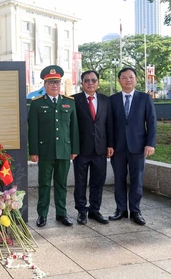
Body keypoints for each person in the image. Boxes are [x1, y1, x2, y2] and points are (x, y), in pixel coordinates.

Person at [28, 65, 79, 227]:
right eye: (50, 83)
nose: (54, 85)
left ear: (61, 84)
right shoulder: (36, 104)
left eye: (57, 82)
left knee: (61, 184)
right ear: (44, 85)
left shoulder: (69, 103)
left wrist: (75, 149)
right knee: (43, 184)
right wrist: (33, 151)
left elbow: (74, 128)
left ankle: (61, 214)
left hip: (64, 150)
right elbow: (33, 130)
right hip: (45, 151)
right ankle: (42, 215)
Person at [109, 67, 157, 225]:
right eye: (124, 77)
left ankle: (135, 211)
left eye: (131, 77)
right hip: (118, 147)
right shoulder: (113, 99)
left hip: (138, 146)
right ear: (119, 81)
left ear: (136, 79)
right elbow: (109, 125)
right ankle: (121, 210)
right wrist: (109, 145)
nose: (128, 80)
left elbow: (151, 122)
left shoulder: (145, 98)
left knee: (137, 180)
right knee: (119, 179)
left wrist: (150, 143)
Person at [72, 70, 114, 225]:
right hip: (81, 149)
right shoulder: (74, 99)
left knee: (98, 181)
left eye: (93, 80)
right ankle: (81, 211)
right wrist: (73, 148)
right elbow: (71, 125)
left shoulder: (105, 100)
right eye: (87, 80)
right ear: (82, 83)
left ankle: (95, 210)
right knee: (80, 182)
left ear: (98, 82)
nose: (90, 83)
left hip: (100, 149)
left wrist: (110, 144)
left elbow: (109, 123)